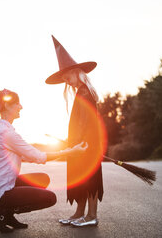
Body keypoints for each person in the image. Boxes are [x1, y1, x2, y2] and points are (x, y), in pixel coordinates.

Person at [0, 88, 88, 233]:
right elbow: (39, 156)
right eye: (17, 103)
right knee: (50, 198)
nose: (21, 107)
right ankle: (1, 212)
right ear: (7, 106)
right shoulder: (6, 133)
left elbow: (27, 156)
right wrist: (70, 152)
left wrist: (39, 155)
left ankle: (7, 214)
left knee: (42, 179)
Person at [45, 36, 105, 227]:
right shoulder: (81, 91)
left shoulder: (85, 92)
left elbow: (88, 121)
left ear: (76, 72)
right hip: (79, 144)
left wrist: (84, 142)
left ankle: (91, 216)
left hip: (87, 144)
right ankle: (80, 213)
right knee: (81, 178)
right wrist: (72, 140)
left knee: (90, 179)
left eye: (67, 77)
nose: (67, 82)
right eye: (64, 80)